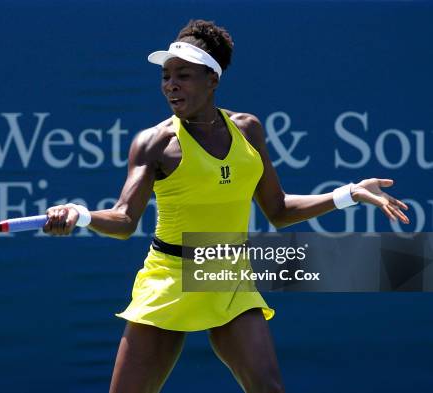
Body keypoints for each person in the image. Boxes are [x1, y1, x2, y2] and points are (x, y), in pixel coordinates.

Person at [43, 20, 410, 393]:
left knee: (269, 388)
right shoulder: (154, 143)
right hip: (169, 277)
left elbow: (278, 209)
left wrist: (350, 192)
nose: (170, 84)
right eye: (166, 76)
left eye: (183, 75)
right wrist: (81, 214)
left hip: (227, 274)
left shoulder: (247, 129)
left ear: (212, 80)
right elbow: (123, 219)